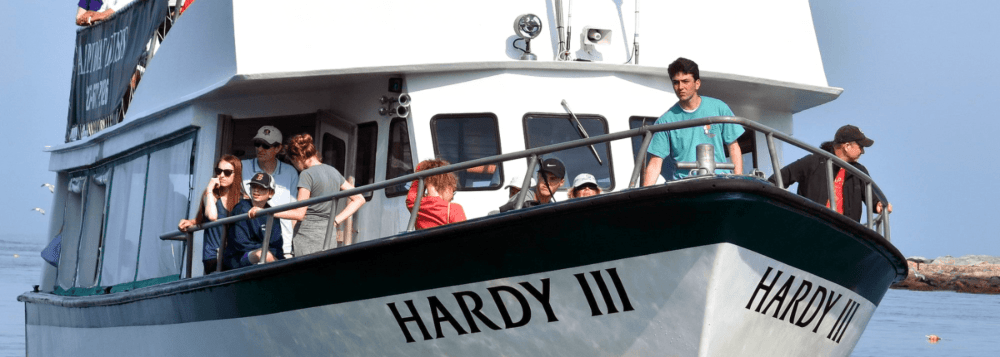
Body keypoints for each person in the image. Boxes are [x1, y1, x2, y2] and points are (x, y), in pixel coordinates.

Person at [643, 57, 744, 186]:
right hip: (685, 187)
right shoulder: (665, 121)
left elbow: (733, 147)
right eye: (676, 82)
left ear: (697, 84)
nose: (680, 87)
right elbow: (656, 162)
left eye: (685, 81)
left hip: (720, 182)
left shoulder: (719, 108)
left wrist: (738, 181)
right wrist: (643, 195)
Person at [261, 133, 364, 256]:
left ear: (297, 158)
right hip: (328, 236)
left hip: (307, 238)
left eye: (293, 162)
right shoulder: (333, 171)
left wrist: (269, 212)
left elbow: (300, 214)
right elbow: (359, 199)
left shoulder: (306, 175)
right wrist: (336, 221)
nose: (296, 167)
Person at [768, 125, 892, 221]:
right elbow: (778, 179)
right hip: (812, 225)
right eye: (860, 146)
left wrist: (879, 205)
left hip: (845, 234)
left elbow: (873, 198)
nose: (862, 152)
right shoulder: (812, 162)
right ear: (847, 146)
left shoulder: (860, 171)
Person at [178, 155, 246, 274]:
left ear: (236, 174)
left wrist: (193, 221)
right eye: (218, 171)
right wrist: (209, 189)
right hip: (213, 256)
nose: (222, 176)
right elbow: (212, 216)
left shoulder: (243, 198)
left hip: (234, 254)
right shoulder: (211, 194)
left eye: (227, 172)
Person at [242, 125, 298, 258]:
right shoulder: (242, 167)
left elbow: (296, 211)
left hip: (284, 247)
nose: (260, 149)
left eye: (266, 145)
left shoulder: (290, 172)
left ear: (278, 148)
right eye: (257, 144)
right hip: (251, 248)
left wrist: (294, 245)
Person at [224, 172, 283, 269]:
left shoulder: (272, 213)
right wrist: (265, 250)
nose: (256, 190)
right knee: (264, 255)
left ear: (271, 193)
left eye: (261, 187)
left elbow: (277, 246)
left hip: (263, 255)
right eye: (253, 186)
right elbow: (241, 244)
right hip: (237, 258)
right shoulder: (241, 208)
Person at [406, 159, 467, 229]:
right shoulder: (454, 209)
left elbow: (412, 194)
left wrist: (421, 173)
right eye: (453, 191)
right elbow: (464, 233)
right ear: (447, 188)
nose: (452, 197)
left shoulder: (416, 206)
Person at [498, 158, 565, 212]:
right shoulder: (523, 199)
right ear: (538, 176)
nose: (546, 182)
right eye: (543, 177)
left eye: (552, 179)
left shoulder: (550, 205)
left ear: (561, 183)